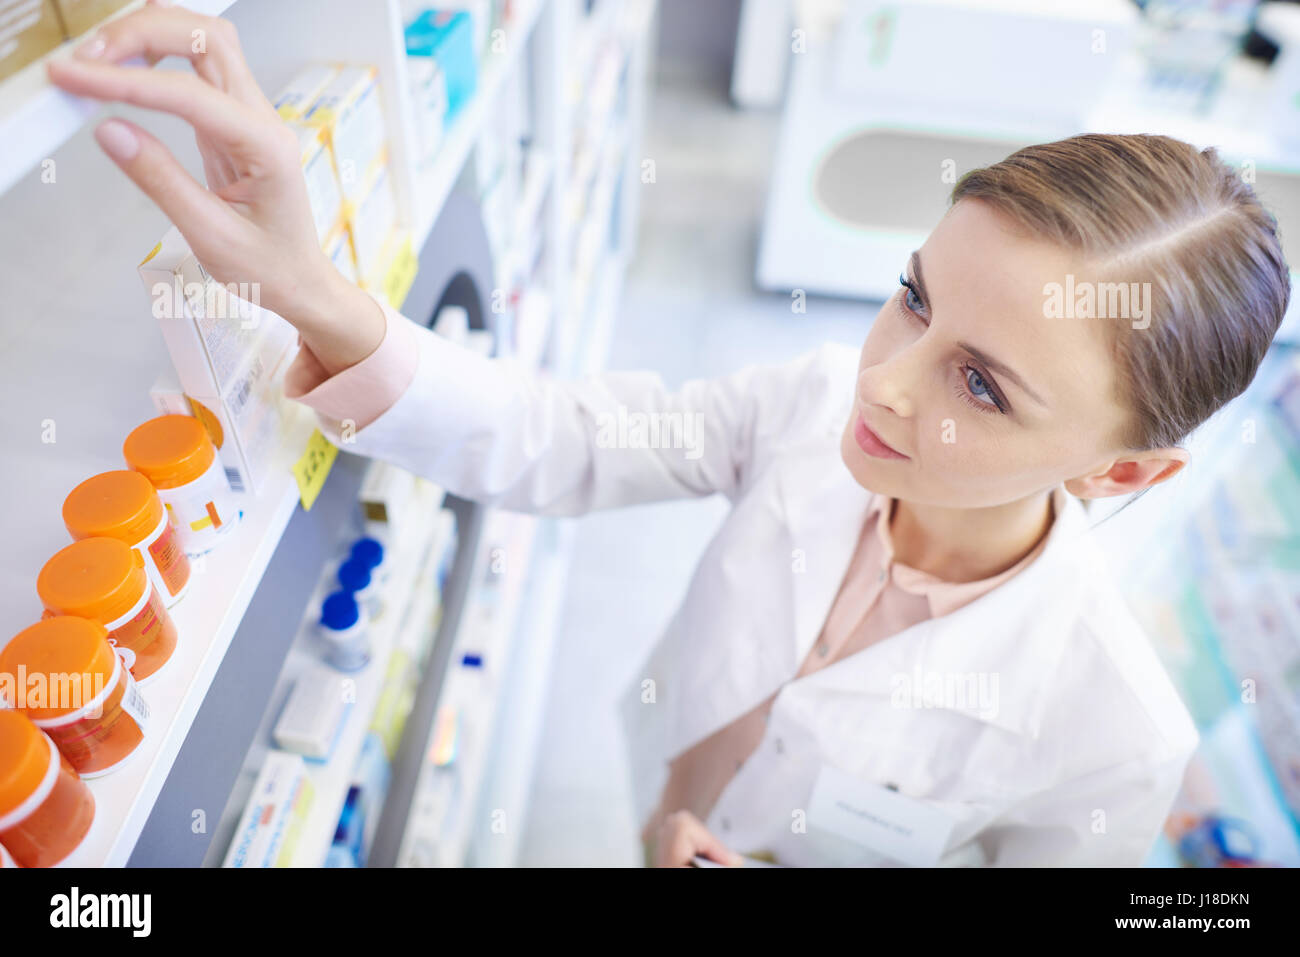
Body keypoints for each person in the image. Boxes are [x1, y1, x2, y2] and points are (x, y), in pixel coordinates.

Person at [48, 4, 1292, 867]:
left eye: (981, 384)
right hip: (662, 795)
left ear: (1123, 469)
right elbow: (562, 436)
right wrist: (312, 285)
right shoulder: (812, 405)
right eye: (913, 296)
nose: (886, 385)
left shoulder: (1115, 734)